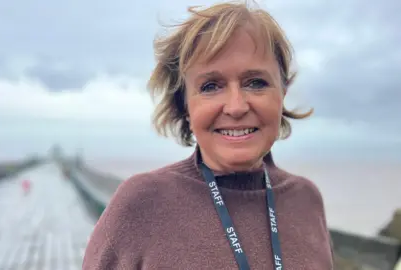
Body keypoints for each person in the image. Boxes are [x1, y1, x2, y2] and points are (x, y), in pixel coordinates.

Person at [83, 2, 333, 269]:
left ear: (282, 92)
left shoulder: (306, 200)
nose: (236, 107)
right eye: (211, 86)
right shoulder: (142, 204)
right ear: (185, 105)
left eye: (256, 82)